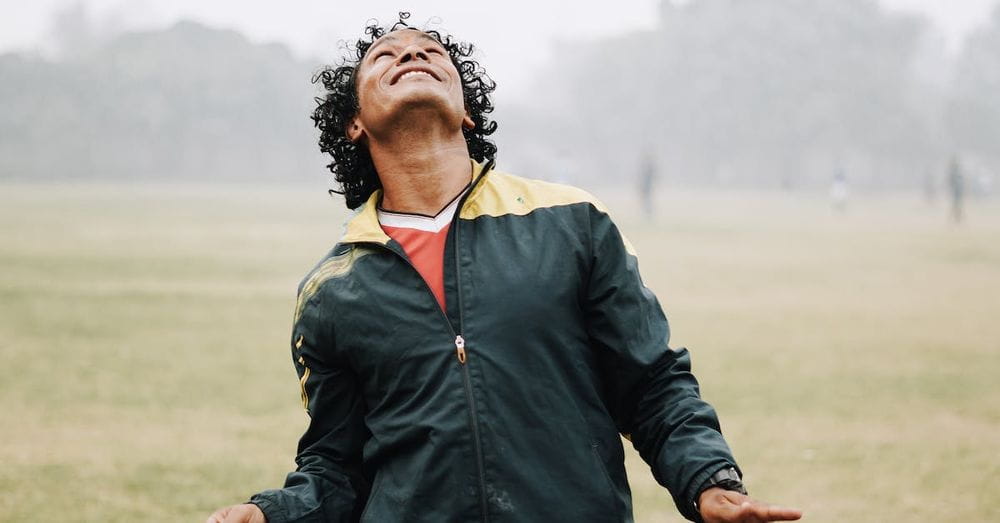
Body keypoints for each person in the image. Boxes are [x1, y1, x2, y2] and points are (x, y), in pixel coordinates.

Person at [207, 13, 802, 523]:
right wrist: (271, 512)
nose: (412, 54)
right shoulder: (332, 290)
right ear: (354, 122)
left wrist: (710, 484)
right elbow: (336, 466)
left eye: (431, 53)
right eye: (385, 56)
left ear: (467, 112)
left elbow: (651, 385)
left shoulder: (571, 222)